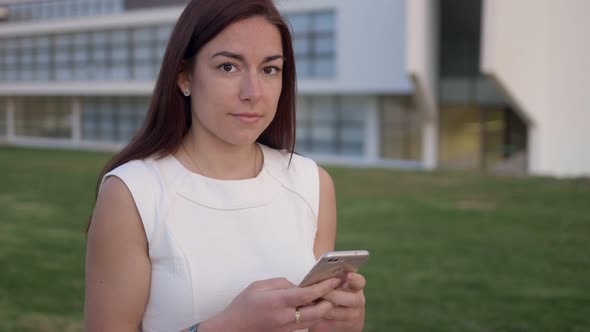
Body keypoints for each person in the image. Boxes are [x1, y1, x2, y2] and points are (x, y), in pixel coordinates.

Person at [84, 0, 367, 331]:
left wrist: (342, 324)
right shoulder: (133, 193)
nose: (253, 92)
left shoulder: (312, 184)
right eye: (228, 67)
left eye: (269, 69)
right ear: (184, 77)